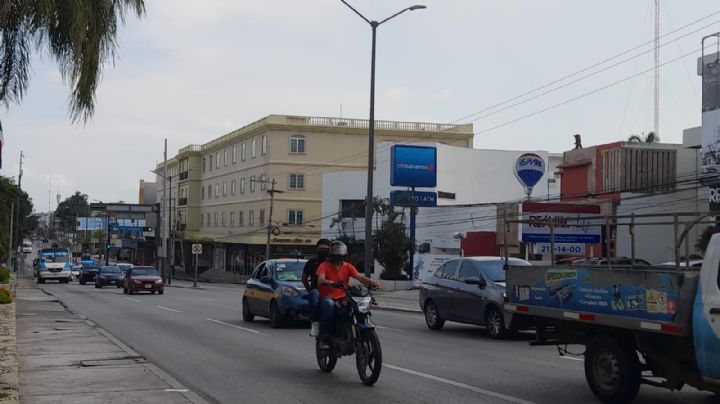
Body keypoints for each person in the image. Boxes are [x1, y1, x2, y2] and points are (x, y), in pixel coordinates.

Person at [316, 241, 381, 348]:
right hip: (328, 297)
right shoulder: (324, 266)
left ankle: (351, 332)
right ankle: (325, 338)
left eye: (340, 251)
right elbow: (320, 279)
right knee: (329, 305)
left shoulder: (348, 266)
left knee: (356, 307)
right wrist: (330, 282)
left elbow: (359, 277)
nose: (338, 254)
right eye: (336, 251)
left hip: (344, 296)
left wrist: (371, 282)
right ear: (331, 253)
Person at [302, 238, 330, 337]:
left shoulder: (334, 263)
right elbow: (304, 278)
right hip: (318, 291)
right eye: (320, 249)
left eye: (325, 249)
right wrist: (310, 290)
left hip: (333, 292)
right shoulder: (312, 263)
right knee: (314, 294)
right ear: (317, 249)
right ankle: (315, 323)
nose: (323, 251)